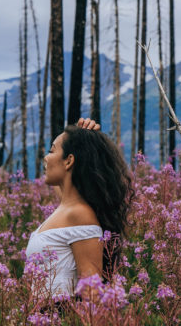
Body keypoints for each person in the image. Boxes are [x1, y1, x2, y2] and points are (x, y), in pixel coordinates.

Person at [25, 117, 134, 303]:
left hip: (61, 324)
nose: (46, 157)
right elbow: (69, 187)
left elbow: (91, 292)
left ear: (69, 161)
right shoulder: (67, 207)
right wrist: (81, 134)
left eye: (52, 150)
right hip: (44, 325)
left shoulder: (79, 214)